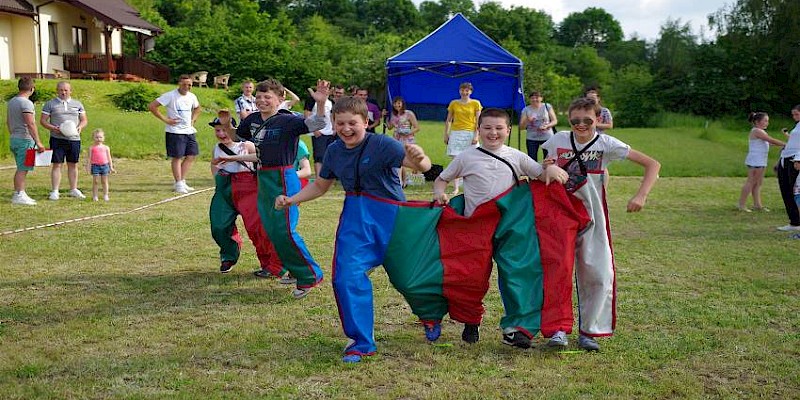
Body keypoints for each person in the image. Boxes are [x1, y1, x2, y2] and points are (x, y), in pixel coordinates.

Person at [274, 96, 431, 363]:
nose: (346, 129)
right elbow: (321, 186)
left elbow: (420, 167)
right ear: (333, 124)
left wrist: (422, 158)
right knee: (346, 276)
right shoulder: (334, 150)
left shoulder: (383, 144)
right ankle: (360, 342)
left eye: (352, 123)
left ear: (366, 123)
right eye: (340, 123)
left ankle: (430, 315)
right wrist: (292, 199)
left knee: (408, 278)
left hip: (393, 218)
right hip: (356, 219)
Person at [433, 108, 568, 346]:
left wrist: (551, 169)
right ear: (478, 129)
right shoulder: (467, 156)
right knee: (471, 277)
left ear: (508, 130)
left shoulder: (516, 156)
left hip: (509, 227)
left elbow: (539, 175)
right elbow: (442, 178)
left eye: (498, 128)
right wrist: (439, 194)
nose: (493, 133)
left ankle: (517, 328)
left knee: (517, 273)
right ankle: (470, 320)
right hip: (475, 226)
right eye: (487, 128)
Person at [541, 97, 660, 351]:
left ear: (599, 120)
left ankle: (590, 331)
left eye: (588, 120)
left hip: (593, 213)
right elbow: (545, 165)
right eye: (575, 120)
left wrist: (641, 195)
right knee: (558, 269)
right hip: (560, 213)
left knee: (600, 272)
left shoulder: (607, 144)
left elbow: (652, 165)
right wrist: (548, 167)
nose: (581, 125)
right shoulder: (557, 140)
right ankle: (558, 330)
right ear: (568, 119)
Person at [215, 78, 330, 299]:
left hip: (284, 177)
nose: (262, 101)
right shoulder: (254, 119)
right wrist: (228, 125)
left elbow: (317, 126)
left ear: (280, 98)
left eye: (268, 97)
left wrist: (321, 103)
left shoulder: (288, 120)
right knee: (271, 229)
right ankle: (294, 270)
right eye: (258, 97)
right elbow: (238, 137)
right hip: (263, 176)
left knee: (284, 229)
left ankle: (310, 276)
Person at [208, 110, 285, 279]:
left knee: (257, 228)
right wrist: (217, 177)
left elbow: (260, 159)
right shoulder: (217, 147)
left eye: (224, 129)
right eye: (217, 130)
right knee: (219, 225)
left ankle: (271, 265)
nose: (221, 134)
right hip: (224, 187)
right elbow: (214, 165)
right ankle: (229, 254)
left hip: (248, 187)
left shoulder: (246, 145)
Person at [148, 74, 201, 194]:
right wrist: (166, 119)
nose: (187, 87)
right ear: (179, 84)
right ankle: (178, 182)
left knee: (191, 155)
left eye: (189, 85)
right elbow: (152, 106)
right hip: (175, 131)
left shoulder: (192, 96)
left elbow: (198, 108)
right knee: (177, 157)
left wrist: (193, 119)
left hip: (189, 130)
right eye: (184, 84)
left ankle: (182, 180)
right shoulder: (170, 95)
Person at [40, 81, 88, 200]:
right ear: (57, 90)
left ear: (70, 91)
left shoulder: (78, 104)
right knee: (57, 164)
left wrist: (80, 127)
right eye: (61, 90)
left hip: (74, 139)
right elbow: (43, 121)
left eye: (66, 90)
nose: (63, 92)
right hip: (57, 138)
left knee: (73, 164)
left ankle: (73, 189)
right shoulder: (50, 104)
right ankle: (55, 191)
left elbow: (84, 120)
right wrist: (54, 129)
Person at [738, 112, 785, 212]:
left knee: (758, 183)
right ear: (757, 122)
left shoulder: (761, 131)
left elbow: (769, 143)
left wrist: (782, 145)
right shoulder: (757, 131)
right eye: (765, 121)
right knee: (751, 182)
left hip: (761, 160)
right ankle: (741, 205)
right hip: (756, 161)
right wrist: (787, 144)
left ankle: (757, 205)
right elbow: (770, 140)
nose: (767, 123)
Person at [8, 77, 44, 206]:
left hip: (15, 137)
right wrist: (38, 142)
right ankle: (19, 194)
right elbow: (31, 123)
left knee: (22, 167)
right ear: (32, 89)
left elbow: (8, 121)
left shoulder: (12, 101)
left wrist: (13, 133)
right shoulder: (26, 103)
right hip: (24, 139)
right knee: (23, 168)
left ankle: (20, 193)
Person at [444, 82, 482, 195]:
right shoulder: (454, 103)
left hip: (470, 132)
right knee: (456, 160)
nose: (464, 92)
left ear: (470, 92)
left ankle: (471, 184)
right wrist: (446, 134)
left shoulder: (476, 103)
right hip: (456, 133)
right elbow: (449, 120)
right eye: (462, 90)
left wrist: (476, 134)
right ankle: (456, 187)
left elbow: (478, 120)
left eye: (467, 90)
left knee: (473, 159)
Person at [386, 96, 420, 187]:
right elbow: (390, 127)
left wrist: (408, 133)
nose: (397, 105)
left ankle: (407, 177)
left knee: (406, 159)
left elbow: (417, 127)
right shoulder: (393, 115)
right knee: (399, 160)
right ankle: (401, 181)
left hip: (407, 139)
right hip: (397, 139)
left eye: (399, 103)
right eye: (395, 103)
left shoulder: (409, 114)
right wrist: (385, 117)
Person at [777, 104, 800, 231]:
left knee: (794, 191)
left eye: (797, 114)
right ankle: (794, 222)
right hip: (785, 158)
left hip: (795, 160)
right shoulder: (797, 126)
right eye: (793, 114)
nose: (794, 116)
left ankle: (797, 221)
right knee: (785, 190)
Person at [519, 91, 558, 161]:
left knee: (549, 159)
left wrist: (547, 126)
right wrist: (528, 120)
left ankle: (547, 172)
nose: (534, 99)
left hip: (547, 137)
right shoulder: (526, 110)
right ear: (529, 99)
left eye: (537, 97)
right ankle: (534, 172)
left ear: (541, 98)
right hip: (532, 138)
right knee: (532, 160)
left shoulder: (547, 106)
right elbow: (521, 127)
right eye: (532, 98)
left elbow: (555, 121)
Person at [85, 129, 115, 201]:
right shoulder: (91, 148)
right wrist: (88, 167)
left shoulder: (106, 148)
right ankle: (95, 196)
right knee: (95, 181)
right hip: (95, 166)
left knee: (104, 181)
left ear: (103, 138)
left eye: (100, 137)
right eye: (97, 137)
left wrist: (111, 167)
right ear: (93, 138)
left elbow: (109, 158)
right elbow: (89, 159)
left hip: (105, 166)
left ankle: (105, 194)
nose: (99, 139)